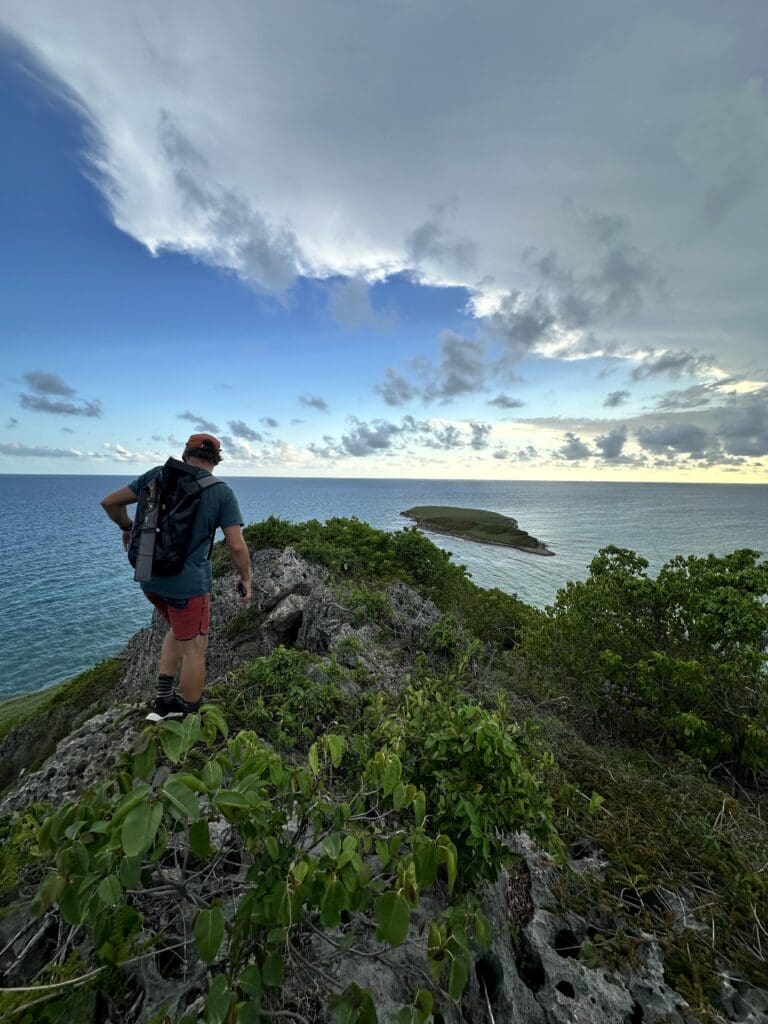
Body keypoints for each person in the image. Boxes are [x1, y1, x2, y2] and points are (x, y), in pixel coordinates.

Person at [101, 433, 252, 720]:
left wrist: (127, 526)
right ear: (216, 460)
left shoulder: (156, 475)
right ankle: (190, 718)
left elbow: (109, 503)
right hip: (188, 586)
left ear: (186, 454)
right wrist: (246, 578)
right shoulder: (221, 492)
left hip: (150, 579)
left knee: (177, 628)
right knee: (195, 649)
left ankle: (164, 700)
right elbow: (235, 545)